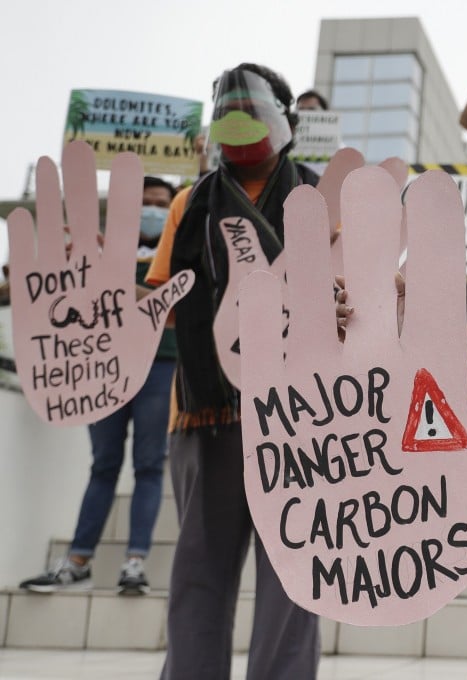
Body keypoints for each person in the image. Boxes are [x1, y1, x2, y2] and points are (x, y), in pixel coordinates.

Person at [146, 63, 320, 680]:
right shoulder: (190, 204)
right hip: (205, 414)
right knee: (200, 573)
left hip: (301, 420)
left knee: (295, 577)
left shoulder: (320, 199)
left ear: (285, 119)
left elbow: (358, 292)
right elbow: (164, 303)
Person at [18, 176, 179, 596]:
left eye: (161, 203)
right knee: (104, 463)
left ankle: (134, 562)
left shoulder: (181, 248)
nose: (152, 209)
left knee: (148, 462)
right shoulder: (101, 253)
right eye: (144, 201)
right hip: (104, 365)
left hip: (160, 364)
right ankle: (78, 560)